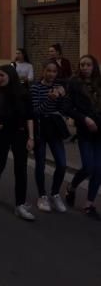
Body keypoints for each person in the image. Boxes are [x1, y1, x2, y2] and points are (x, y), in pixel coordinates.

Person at [0, 65, 36, 221]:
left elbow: (29, 117)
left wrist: (31, 137)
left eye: (2, 75)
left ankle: (20, 205)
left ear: (11, 76)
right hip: (0, 132)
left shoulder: (23, 94)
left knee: (20, 168)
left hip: (19, 133)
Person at [63, 55, 101, 219]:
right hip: (85, 130)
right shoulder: (74, 82)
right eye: (82, 64)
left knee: (99, 170)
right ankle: (71, 187)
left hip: (100, 131)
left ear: (94, 67)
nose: (85, 67)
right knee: (88, 167)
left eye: (88, 64)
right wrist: (84, 119)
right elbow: (67, 107)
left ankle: (89, 204)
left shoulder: (99, 83)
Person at [31, 60, 68, 213]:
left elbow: (65, 109)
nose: (52, 74)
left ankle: (55, 193)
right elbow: (35, 111)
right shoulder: (35, 87)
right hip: (40, 128)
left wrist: (63, 97)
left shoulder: (58, 87)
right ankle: (42, 196)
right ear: (43, 70)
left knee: (62, 163)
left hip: (55, 128)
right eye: (49, 71)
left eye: (54, 71)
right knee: (40, 163)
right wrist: (49, 99)